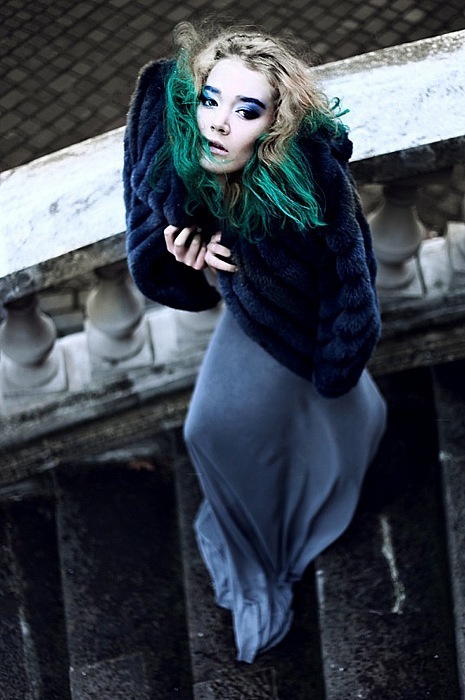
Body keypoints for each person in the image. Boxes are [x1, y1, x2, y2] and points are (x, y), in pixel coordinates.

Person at [123, 21, 387, 664]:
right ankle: (262, 535)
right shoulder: (183, 163)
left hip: (314, 336)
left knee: (333, 415)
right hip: (252, 320)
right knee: (208, 432)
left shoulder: (310, 185)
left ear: (274, 124)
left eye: (246, 111)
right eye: (210, 100)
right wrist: (188, 260)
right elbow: (172, 274)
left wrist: (335, 366)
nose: (218, 123)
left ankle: (337, 476)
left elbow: (355, 285)